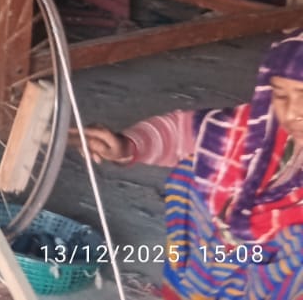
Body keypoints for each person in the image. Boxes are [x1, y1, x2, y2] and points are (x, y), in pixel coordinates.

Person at [77, 31, 303, 298]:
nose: (290, 112)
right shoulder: (260, 126)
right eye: (281, 95)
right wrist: (126, 146)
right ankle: (192, 287)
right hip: (237, 245)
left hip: (282, 260)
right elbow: (184, 131)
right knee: (192, 172)